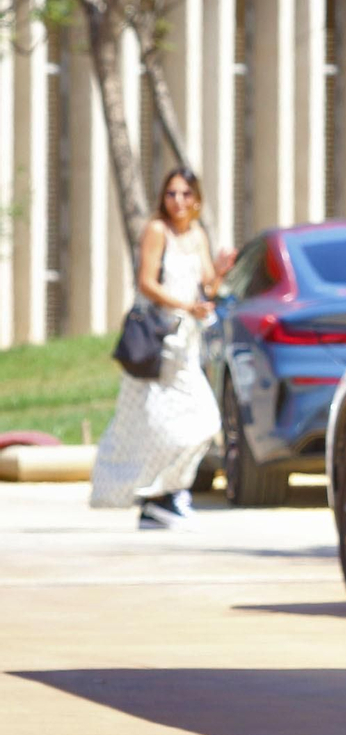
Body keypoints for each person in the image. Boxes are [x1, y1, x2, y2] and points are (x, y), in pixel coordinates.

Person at [90, 169, 234, 529]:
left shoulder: (197, 235)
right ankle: (161, 498)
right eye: (171, 194)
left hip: (186, 345)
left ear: (197, 199)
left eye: (185, 194)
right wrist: (187, 307)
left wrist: (218, 273)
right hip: (160, 343)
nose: (178, 201)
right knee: (160, 425)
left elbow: (207, 291)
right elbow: (146, 283)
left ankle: (165, 494)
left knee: (202, 422)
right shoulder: (157, 231)